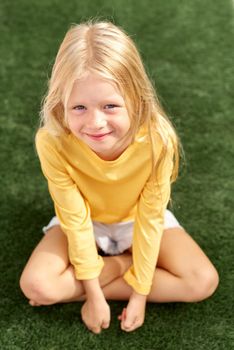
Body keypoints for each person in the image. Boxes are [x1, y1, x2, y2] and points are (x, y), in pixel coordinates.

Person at [19, 20, 219, 334]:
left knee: (202, 281)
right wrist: (94, 295)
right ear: (61, 103)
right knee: (36, 285)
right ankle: (118, 267)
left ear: (137, 98)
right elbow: (74, 217)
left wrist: (140, 294)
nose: (96, 123)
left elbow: (151, 218)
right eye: (79, 107)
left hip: (137, 219)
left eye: (110, 106)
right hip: (85, 220)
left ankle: (114, 267)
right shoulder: (52, 141)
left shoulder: (157, 141)